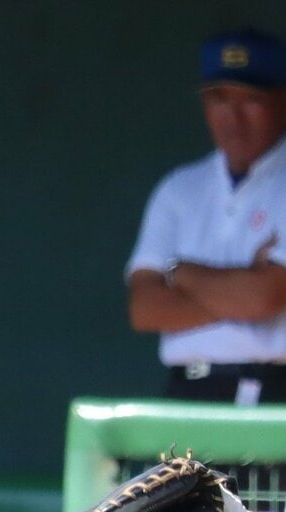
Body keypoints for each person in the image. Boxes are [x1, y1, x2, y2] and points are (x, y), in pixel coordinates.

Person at [127, 27, 286, 404]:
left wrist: (178, 273)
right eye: (219, 99)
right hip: (189, 390)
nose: (233, 117)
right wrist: (242, 289)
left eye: (251, 99)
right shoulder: (178, 188)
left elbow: (263, 298)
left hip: (274, 391)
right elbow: (144, 309)